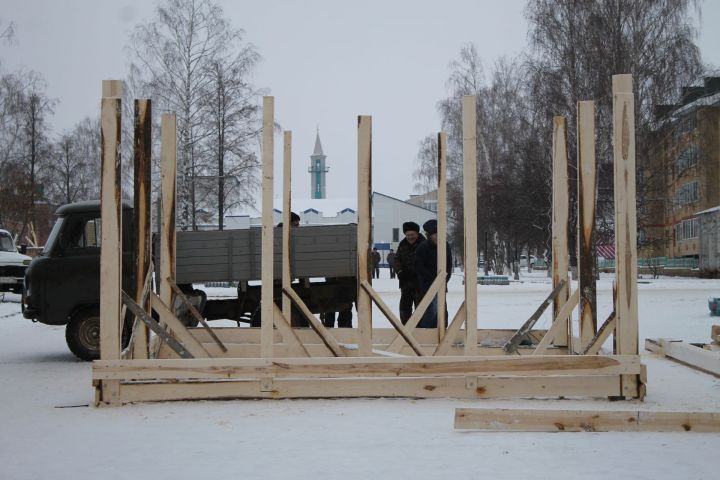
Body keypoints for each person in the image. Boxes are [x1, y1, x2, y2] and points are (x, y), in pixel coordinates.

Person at [414, 219, 452, 328]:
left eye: (439, 234)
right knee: (430, 309)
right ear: (430, 235)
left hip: (441, 285)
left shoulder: (445, 246)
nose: (437, 236)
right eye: (435, 234)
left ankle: (441, 332)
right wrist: (433, 280)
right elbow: (419, 266)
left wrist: (444, 280)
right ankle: (426, 333)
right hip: (427, 286)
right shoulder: (423, 247)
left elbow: (449, 265)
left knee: (441, 310)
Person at [394, 221, 425, 324]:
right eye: (407, 235)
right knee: (404, 308)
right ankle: (406, 328)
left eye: (412, 235)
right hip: (406, 283)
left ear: (417, 233)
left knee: (420, 308)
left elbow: (426, 262)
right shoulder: (402, 245)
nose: (410, 237)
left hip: (420, 283)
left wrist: (416, 272)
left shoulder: (424, 244)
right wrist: (400, 272)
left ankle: (419, 329)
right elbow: (397, 260)